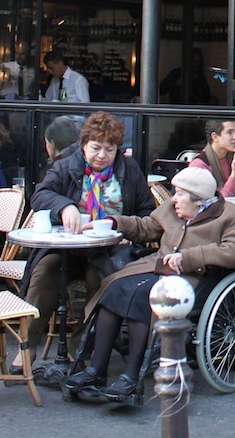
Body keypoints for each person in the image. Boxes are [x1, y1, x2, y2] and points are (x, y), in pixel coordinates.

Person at [62, 167, 235, 402]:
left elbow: (233, 253)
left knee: (143, 297)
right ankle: (96, 370)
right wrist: (113, 222)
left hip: (195, 280)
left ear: (199, 200)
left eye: (180, 194)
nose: (174, 199)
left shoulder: (230, 215)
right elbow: (147, 227)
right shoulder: (172, 210)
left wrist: (189, 257)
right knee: (115, 289)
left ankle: (131, 376)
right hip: (157, 268)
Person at [19, 111, 154, 368]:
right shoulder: (65, 165)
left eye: (109, 149)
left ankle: (80, 348)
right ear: (83, 146)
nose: (102, 155)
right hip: (69, 247)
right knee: (45, 272)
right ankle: (27, 346)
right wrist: (65, 206)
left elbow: (146, 211)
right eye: (96, 148)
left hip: (110, 250)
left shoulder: (130, 170)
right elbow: (40, 195)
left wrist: (129, 232)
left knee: (100, 280)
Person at [189, 118, 235, 197]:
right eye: (229, 132)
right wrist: (234, 174)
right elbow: (219, 201)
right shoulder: (200, 165)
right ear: (215, 137)